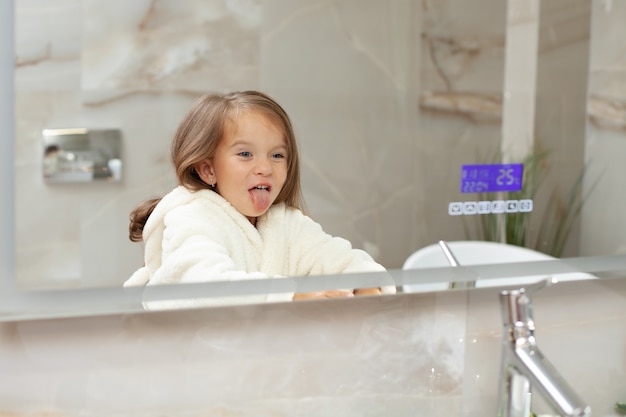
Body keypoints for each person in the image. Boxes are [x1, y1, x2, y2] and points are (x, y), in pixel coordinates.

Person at [125, 90, 394, 307]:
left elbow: (342, 260)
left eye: (277, 155)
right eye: (245, 154)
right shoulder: (191, 218)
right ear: (208, 169)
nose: (265, 167)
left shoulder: (287, 225)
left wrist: (367, 289)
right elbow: (206, 285)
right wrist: (293, 297)